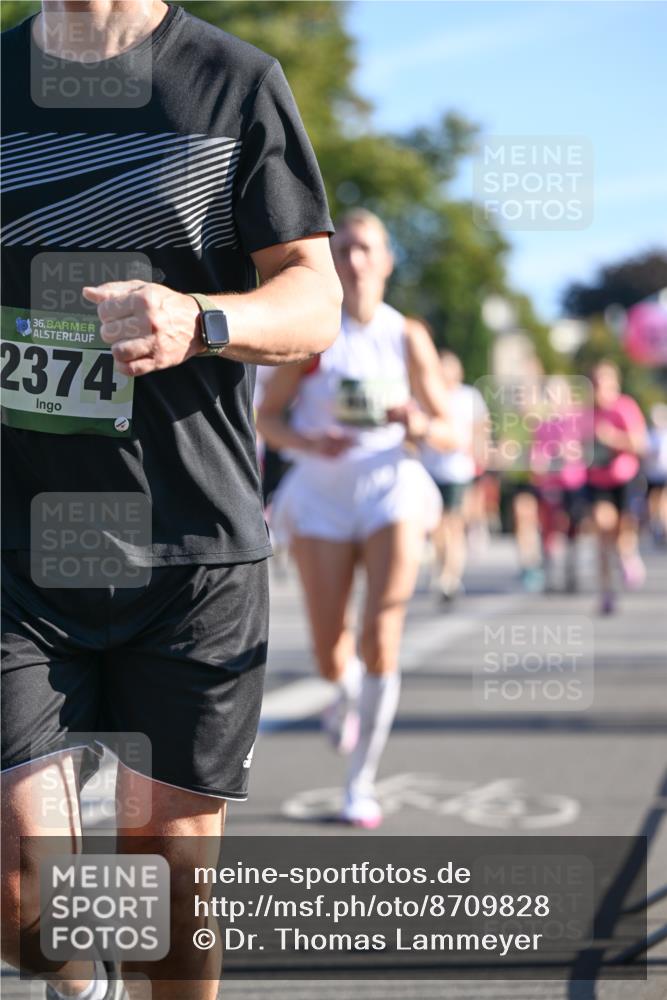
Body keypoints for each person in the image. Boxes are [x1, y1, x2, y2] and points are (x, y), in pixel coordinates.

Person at [1, 3, 341, 999]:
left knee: (171, 882)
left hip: (189, 543)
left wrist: (203, 316)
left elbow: (310, 296)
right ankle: (78, 979)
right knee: (25, 891)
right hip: (17, 544)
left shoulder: (233, 81)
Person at [256, 209, 455, 829]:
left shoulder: (407, 336)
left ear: (388, 260)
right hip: (320, 493)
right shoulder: (313, 333)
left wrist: (413, 419)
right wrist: (313, 445)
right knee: (327, 648)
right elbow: (268, 419)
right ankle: (341, 694)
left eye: (367, 248)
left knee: (381, 633)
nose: (355, 259)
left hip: (390, 485)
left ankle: (359, 784)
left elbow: (450, 430)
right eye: (343, 249)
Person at [420, 350, 489, 603]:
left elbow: (481, 427)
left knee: (454, 524)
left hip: (458, 470)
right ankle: (440, 569)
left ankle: (450, 577)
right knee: (436, 527)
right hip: (431, 468)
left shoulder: (469, 396)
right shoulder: (428, 393)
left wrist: (480, 451)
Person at [586, 360, 647, 614]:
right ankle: (606, 592)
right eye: (597, 384)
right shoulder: (585, 413)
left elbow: (639, 444)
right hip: (598, 482)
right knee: (603, 529)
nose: (601, 389)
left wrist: (611, 437)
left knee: (623, 532)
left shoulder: (625, 407)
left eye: (606, 383)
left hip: (625, 478)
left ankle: (627, 555)